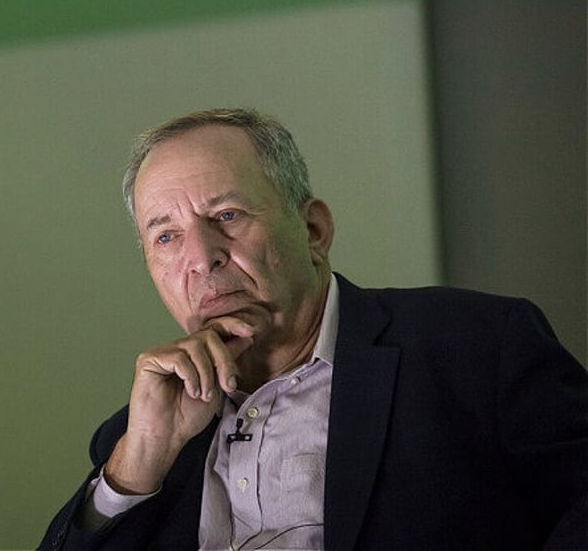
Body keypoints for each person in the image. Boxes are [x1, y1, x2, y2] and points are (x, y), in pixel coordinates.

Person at [38, 108, 587, 550]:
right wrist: (138, 462)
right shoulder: (136, 437)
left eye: (226, 215)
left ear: (313, 228)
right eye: (166, 237)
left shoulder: (476, 345)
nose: (201, 258)